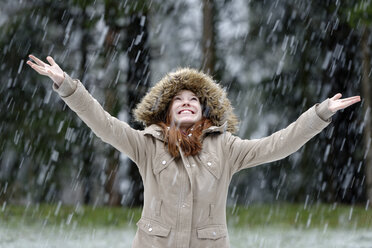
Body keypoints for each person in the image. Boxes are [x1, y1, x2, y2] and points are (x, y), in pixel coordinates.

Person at [27, 54, 361, 248]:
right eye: (179, 100)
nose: (186, 103)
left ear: (204, 111)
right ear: (167, 111)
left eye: (193, 101)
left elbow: (279, 144)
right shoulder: (147, 144)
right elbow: (103, 122)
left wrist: (320, 114)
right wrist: (67, 85)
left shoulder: (226, 147)